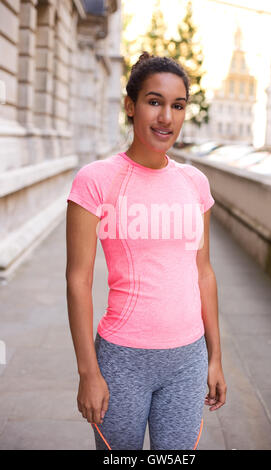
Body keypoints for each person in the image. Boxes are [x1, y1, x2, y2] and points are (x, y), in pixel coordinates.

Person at [65, 51, 227, 451]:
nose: (166, 118)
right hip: (122, 360)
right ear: (130, 106)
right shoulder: (95, 181)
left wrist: (215, 357)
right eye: (154, 102)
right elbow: (78, 279)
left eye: (177, 105)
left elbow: (203, 272)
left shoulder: (195, 183)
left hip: (187, 360)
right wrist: (88, 371)